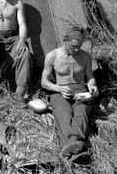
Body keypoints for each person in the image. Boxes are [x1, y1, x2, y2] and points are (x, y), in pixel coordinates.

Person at [41, 25, 98, 158]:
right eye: (73, 46)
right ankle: (77, 144)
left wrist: (92, 85)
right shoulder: (52, 56)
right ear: (65, 40)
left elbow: (90, 77)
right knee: (63, 112)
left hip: (80, 91)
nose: (76, 49)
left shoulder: (85, 57)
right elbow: (44, 82)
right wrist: (58, 88)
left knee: (81, 111)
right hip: (59, 91)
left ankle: (71, 143)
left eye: (79, 46)